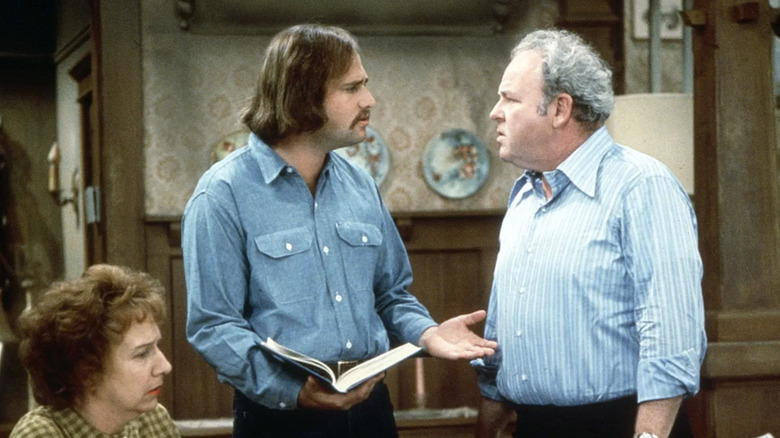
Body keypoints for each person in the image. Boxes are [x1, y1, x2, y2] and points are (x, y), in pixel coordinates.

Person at [182, 23, 497, 438]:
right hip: (279, 418)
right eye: (352, 89)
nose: (369, 100)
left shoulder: (360, 184)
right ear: (302, 96)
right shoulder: (222, 194)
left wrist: (429, 333)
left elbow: (390, 295)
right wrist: (293, 391)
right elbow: (214, 326)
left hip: (371, 413)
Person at [471, 29, 707, 438]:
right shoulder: (525, 194)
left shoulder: (642, 185)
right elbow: (502, 332)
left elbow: (671, 335)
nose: (495, 112)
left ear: (560, 108)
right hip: (533, 425)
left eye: (509, 98)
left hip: (621, 425)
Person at [10, 264, 179, 438]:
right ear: (87, 371)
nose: (165, 366)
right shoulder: (41, 434)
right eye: (142, 353)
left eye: (156, 346)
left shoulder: (154, 419)